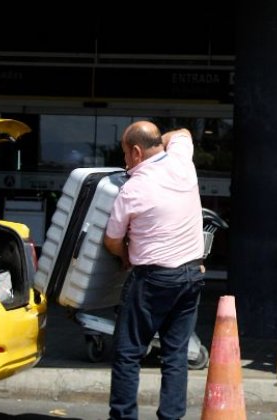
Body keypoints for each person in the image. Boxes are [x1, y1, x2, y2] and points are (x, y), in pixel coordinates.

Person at [103, 121, 205, 420]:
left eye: (125, 153)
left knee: (128, 353)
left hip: (153, 279)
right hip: (192, 276)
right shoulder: (182, 161)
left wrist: (126, 257)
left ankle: (123, 416)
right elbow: (184, 134)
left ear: (136, 152)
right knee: (175, 356)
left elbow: (112, 240)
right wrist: (164, 141)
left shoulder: (133, 188)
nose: (124, 161)